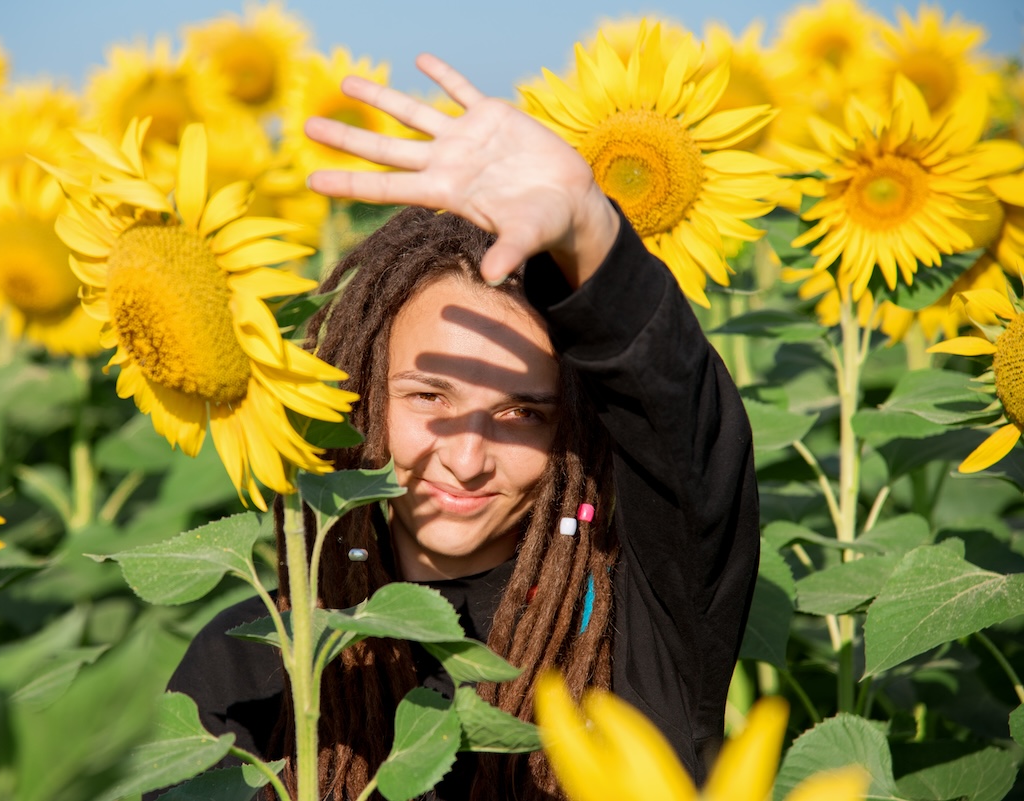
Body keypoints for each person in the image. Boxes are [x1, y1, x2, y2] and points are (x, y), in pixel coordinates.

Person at [164, 54, 759, 800]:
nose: (468, 456)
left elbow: (693, 454)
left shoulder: (634, 625)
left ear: (569, 431)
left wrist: (591, 231)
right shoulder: (257, 659)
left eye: (522, 412)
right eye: (429, 398)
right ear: (364, 400)